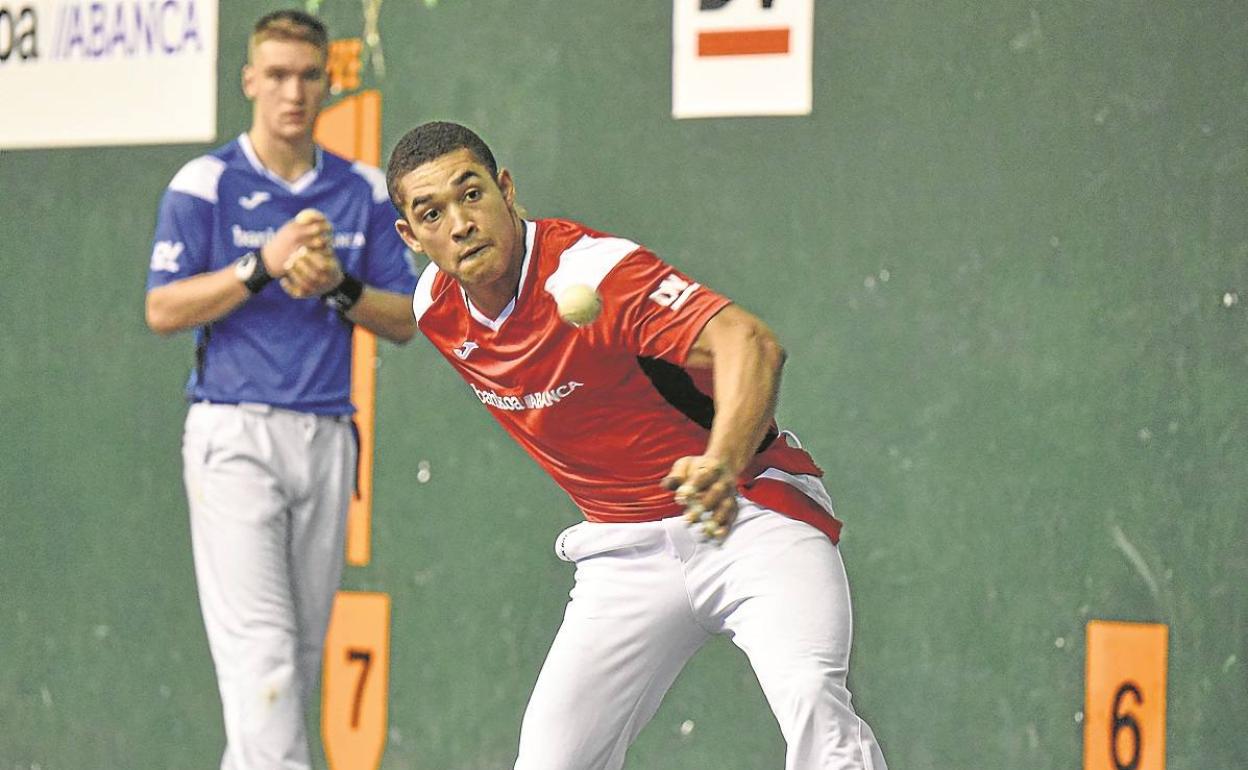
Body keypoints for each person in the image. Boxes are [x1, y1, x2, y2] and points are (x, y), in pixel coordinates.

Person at [385, 120, 887, 770]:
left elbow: (751, 344)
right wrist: (334, 291)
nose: (460, 223)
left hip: (750, 517)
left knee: (815, 703)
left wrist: (723, 464)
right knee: (550, 760)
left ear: (507, 190)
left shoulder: (596, 272)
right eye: (433, 213)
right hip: (624, 555)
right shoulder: (435, 309)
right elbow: (408, 318)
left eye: (472, 194)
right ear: (412, 236)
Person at [143, 10, 417, 769]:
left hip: (327, 437)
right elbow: (162, 308)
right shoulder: (205, 184)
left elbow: (405, 320)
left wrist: (337, 285)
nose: (293, 92)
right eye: (278, 75)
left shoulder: (362, 192)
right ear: (250, 82)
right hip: (234, 435)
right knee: (262, 662)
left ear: (328, 81)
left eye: (307, 75)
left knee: (289, 668)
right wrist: (257, 267)